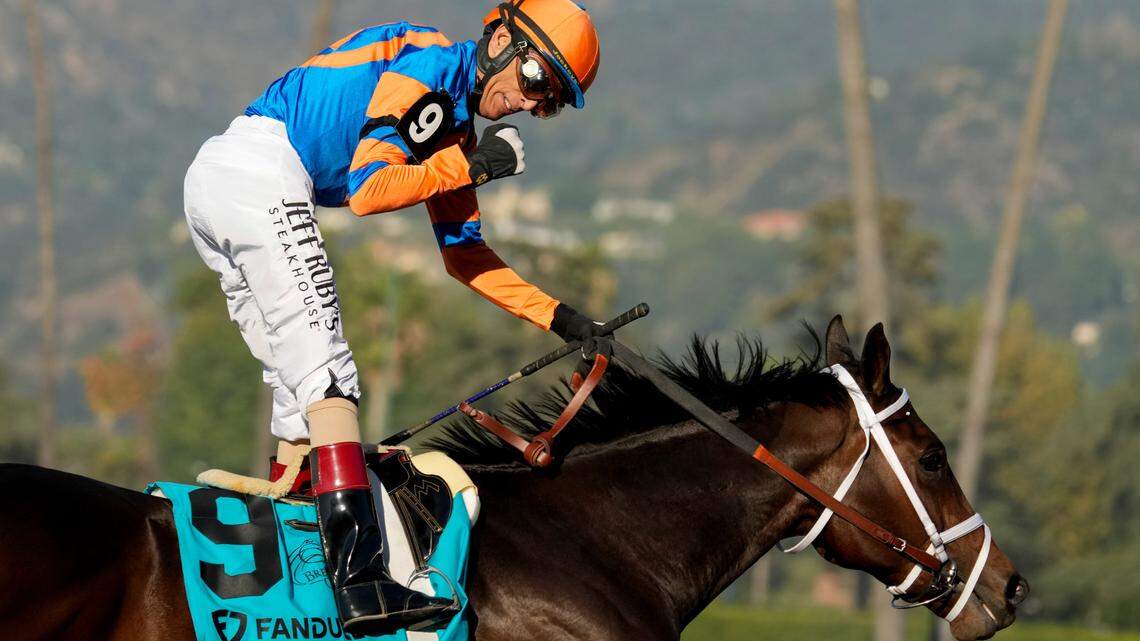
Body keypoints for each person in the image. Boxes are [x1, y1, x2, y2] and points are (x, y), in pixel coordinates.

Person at [181, 0, 601, 635]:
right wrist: (476, 166)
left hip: (225, 180)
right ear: (499, 39)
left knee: (301, 400)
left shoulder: (450, 125)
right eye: (537, 81)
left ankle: (304, 563)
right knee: (330, 377)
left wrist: (562, 319)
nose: (529, 104)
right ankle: (360, 579)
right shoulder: (429, 69)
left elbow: (465, 257)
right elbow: (368, 189)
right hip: (260, 171)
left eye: (550, 104)